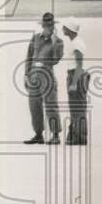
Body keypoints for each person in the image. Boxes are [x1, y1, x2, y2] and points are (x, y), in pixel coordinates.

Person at [24, 12, 64, 145]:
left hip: (47, 76)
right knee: (34, 106)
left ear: (53, 26)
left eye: (50, 25)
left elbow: (56, 59)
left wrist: (53, 43)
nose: (48, 28)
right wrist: (26, 74)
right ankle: (38, 134)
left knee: (51, 106)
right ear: (43, 26)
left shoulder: (58, 42)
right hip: (33, 76)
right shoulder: (35, 38)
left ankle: (55, 135)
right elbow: (29, 57)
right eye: (46, 25)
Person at [61, 18, 89, 145]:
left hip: (76, 76)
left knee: (77, 108)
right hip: (74, 75)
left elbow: (79, 65)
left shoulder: (77, 44)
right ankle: (75, 136)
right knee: (75, 108)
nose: (63, 29)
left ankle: (79, 137)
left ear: (70, 30)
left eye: (65, 27)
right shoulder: (74, 42)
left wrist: (73, 83)